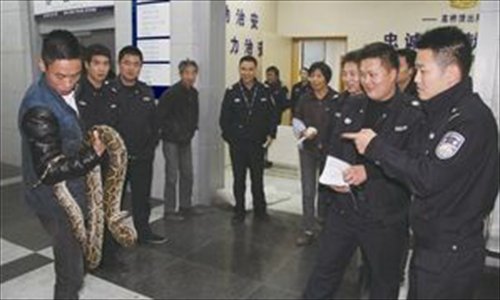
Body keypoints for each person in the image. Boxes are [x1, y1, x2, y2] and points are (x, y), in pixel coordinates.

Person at [343, 26, 499, 299]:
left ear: (450, 74)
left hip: (450, 252)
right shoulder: (440, 113)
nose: (416, 78)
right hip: (431, 244)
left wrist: (376, 147)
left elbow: (428, 177)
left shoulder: (468, 121)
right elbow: (414, 160)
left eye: (423, 71)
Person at [303, 42, 424, 299]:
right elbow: (334, 148)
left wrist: (370, 173)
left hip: (385, 219)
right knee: (322, 276)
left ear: (392, 73)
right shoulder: (352, 106)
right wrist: (333, 176)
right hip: (344, 209)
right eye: (362, 74)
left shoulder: (412, 115)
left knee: (382, 284)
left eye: (373, 75)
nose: (366, 82)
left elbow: (414, 169)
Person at [18, 29, 106, 299]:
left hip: (74, 191)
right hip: (54, 200)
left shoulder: (69, 89)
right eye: (60, 76)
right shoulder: (38, 109)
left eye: (75, 75)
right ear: (42, 64)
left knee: (75, 262)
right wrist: (94, 154)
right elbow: (49, 170)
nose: (68, 83)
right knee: (71, 273)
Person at [112, 46, 167, 244]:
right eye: (127, 63)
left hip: (142, 157)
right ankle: (112, 237)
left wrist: (151, 145)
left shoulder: (145, 90)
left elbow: (155, 122)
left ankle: (143, 232)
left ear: (141, 67)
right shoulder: (109, 90)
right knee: (114, 201)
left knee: (142, 198)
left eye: (136, 64)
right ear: (120, 64)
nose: (131, 68)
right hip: (116, 160)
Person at [219, 55, 278, 224]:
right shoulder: (232, 91)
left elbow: (272, 115)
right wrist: (231, 138)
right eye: (243, 69)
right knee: (239, 179)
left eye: (250, 69)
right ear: (239, 69)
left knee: (257, 179)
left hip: (257, 144)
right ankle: (239, 210)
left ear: (256, 70)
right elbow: (224, 119)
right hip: (238, 145)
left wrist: (271, 134)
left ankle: (260, 210)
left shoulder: (264, 90)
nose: (247, 73)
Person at [292, 61, 339, 246]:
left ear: (326, 78)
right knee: (308, 190)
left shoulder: (336, 99)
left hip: (329, 152)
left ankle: (324, 225)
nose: (314, 79)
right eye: (312, 75)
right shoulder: (304, 98)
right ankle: (307, 229)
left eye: (319, 76)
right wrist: (303, 131)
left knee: (326, 190)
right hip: (308, 151)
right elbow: (296, 118)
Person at [157, 59, 200, 222]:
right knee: (172, 176)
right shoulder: (171, 93)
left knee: (188, 174)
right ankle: (169, 210)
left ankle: (185, 206)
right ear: (181, 74)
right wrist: (173, 131)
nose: (190, 76)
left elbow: (194, 115)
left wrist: (192, 129)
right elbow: (160, 117)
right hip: (171, 140)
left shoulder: (194, 93)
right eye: (187, 73)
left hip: (185, 140)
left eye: (193, 73)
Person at [77, 43, 118, 130]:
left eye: (105, 64)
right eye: (96, 63)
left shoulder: (114, 93)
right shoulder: (77, 92)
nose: (101, 69)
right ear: (87, 65)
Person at [264, 65, 290, 168]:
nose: (269, 77)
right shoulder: (263, 87)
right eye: (267, 75)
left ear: (276, 76)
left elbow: (287, 103)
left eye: (271, 75)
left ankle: (271, 158)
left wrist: (277, 109)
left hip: (275, 116)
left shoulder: (282, 88)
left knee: (273, 137)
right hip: (263, 117)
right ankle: (264, 159)